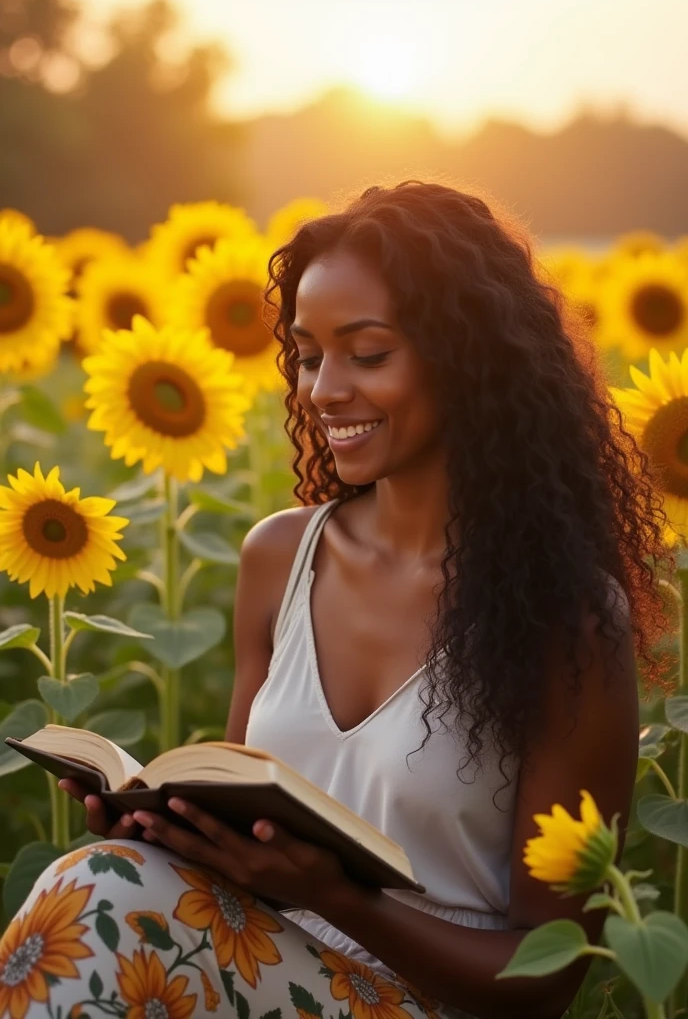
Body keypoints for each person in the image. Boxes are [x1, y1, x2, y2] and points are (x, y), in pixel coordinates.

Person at [0, 181, 665, 1019]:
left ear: (472, 357)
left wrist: (346, 900)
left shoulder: (566, 620)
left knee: (92, 894)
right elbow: (239, 836)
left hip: (431, 1002)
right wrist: (170, 835)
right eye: (311, 356)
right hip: (264, 968)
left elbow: (550, 979)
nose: (322, 390)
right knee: (98, 878)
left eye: (369, 353)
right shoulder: (280, 558)